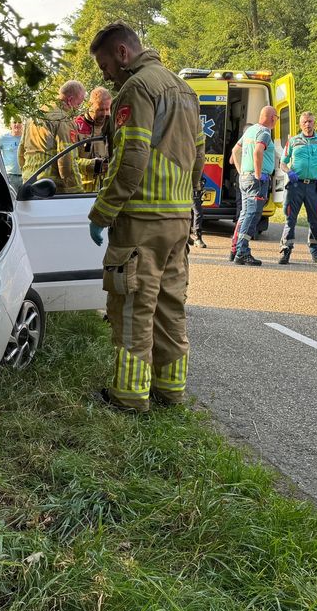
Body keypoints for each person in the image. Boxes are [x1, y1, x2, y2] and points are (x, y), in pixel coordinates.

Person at [86, 21, 204, 412]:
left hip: (141, 222)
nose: (106, 76)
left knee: (133, 308)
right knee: (170, 306)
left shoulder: (137, 89)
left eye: (105, 66)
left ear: (122, 53)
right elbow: (198, 156)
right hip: (178, 220)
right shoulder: (185, 90)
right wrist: (185, 202)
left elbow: (130, 159)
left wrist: (103, 212)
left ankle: (129, 397)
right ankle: (170, 391)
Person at [280, 111, 317, 265]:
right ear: (300, 124)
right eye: (305, 122)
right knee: (290, 219)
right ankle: (286, 250)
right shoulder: (293, 141)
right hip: (295, 186)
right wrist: (289, 171)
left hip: (314, 187)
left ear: (314, 123)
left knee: (315, 219)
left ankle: (316, 253)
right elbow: (282, 163)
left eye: (310, 121)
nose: (308, 124)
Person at [228, 106, 277, 266]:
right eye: (276, 117)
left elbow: (234, 151)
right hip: (256, 180)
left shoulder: (250, 130)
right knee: (252, 215)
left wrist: (241, 171)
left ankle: (235, 249)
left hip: (245, 178)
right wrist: (257, 174)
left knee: (244, 214)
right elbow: (257, 152)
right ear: (273, 118)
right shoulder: (264, 133)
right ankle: (242, 252)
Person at [19, 80, 87, 193]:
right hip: (50, 188)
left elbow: (21, 152)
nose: (77, 108)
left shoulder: (34, 116)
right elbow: (66, 161)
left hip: (29, 183)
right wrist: (77, 190)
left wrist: (27, 174)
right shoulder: (63, 120)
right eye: (78, 104)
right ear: (70, 100)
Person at [73, 87, 113, 192]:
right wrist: (95, 165)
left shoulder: (114, 127)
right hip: (83, 192)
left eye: (107, 109)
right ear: (90, 105)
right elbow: (69, 162)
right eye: (100, 109)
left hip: (108, 191)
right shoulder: (75, 127)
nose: (104, 114)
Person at [0, 119, 23, 185]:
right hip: (9, 176)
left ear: (22, 124)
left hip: (25, 176)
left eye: (19, 122)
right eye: (14, 122)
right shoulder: (2, 138)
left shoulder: (26, 138)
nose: (17, 124)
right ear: (10, 124)